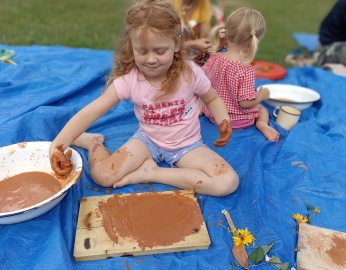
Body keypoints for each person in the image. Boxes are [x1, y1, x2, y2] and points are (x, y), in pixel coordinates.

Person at [49, 0, 238, 197]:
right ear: (132, 47)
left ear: (176, 44)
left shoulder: (190, 73)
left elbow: (212, 98)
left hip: (188, 145)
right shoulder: (130, 81)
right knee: (102, 177)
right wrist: (58, 145)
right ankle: (93, 142)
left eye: (159, 51)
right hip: (148, 141)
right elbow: (91, 112)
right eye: (142, 51)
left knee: (227, 182)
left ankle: (153, 173)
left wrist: (223, 119)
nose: (151, 59)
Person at [201, 8, 280, 142]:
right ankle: (262, 124)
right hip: (240, 121)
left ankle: (201, 109)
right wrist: (261, 96)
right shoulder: (245, 70)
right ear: (253, 42)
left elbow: (202, 79)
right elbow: (244, 103)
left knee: (204, 102)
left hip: (215, 115)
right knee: (262, 109)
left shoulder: (216, 57)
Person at [172, 0, 213, 66]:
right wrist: (192, 44)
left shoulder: (203, 2)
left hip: (189, 56)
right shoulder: (170, 3)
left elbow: (206, 36)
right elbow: (166, 44)